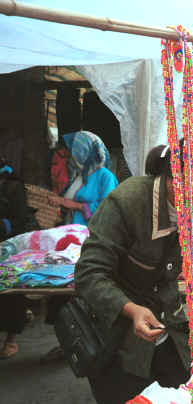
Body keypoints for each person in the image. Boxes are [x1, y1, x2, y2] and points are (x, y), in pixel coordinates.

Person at [74, 133, 193, 404]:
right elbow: (89, 274)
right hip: (116, 335)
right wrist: (131, 310)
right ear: (179, 180)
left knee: (186, 392)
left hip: (167, 325)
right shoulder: (127, 202)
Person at [0, 159, 40, 359]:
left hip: (11, 247)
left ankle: (11, 340)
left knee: (11, 293)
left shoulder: (13, 187)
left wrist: (5, 225)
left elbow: (20, 220)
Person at [48, 130, 118, 226]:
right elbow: (69, 202)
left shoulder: (106, 177)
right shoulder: (80, 174)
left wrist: (74, 205)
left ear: (83, 151)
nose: (71, 154)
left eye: (74, 150)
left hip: (92, 235)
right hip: (72, 229)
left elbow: (106, 213)